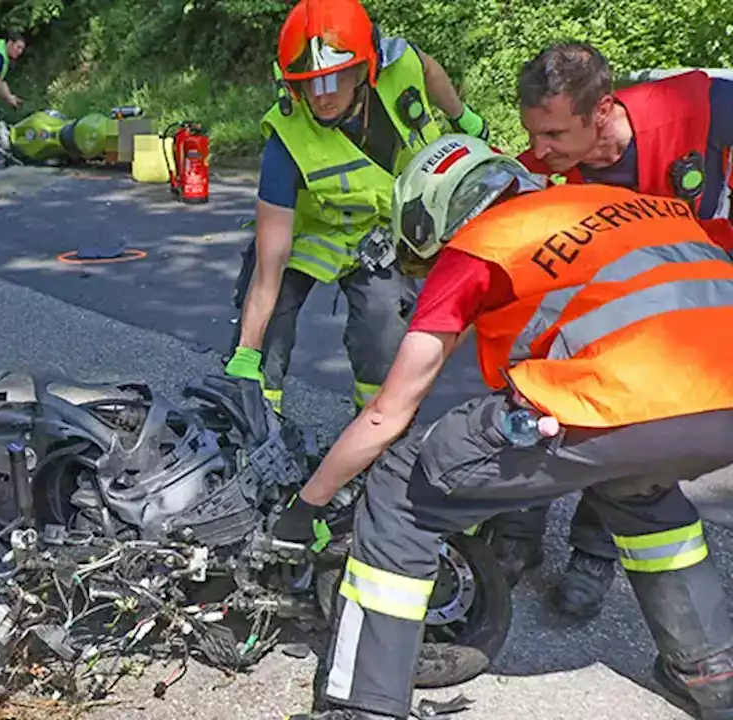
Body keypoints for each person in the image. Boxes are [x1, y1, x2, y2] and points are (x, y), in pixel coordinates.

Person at [270, 133, 733, 720]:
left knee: (402, 487)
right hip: (716, 400)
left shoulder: (482, 244)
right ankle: (712, 675)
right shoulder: (613, 204)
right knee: (639, 491)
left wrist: (308, 505)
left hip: (620, 396)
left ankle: (361, 702)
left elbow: (388, 412)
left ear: (435, 215)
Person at [482, 42, 733, 621]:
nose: (540, 151)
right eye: (533, 134)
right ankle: (519, 527)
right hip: (587, 314)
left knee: (629, 429)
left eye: (553, 136)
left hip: (675, 320)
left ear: (601, 113)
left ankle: (592, 555)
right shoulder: (538, 167)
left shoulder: (696, 107)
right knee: (536, 398)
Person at [223, 0, 491, 417]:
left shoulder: (399, 67)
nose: (321, 97)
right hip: (311, 233)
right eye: (309, 84)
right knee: (267, 333)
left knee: (383, 330)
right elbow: (270, 261)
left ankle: (374, 431)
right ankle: (258, 421)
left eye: (334, 81)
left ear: (365, 69)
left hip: (383, 231)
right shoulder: (286, 140)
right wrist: (247, 350)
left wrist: (464, 118)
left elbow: (431, 70)